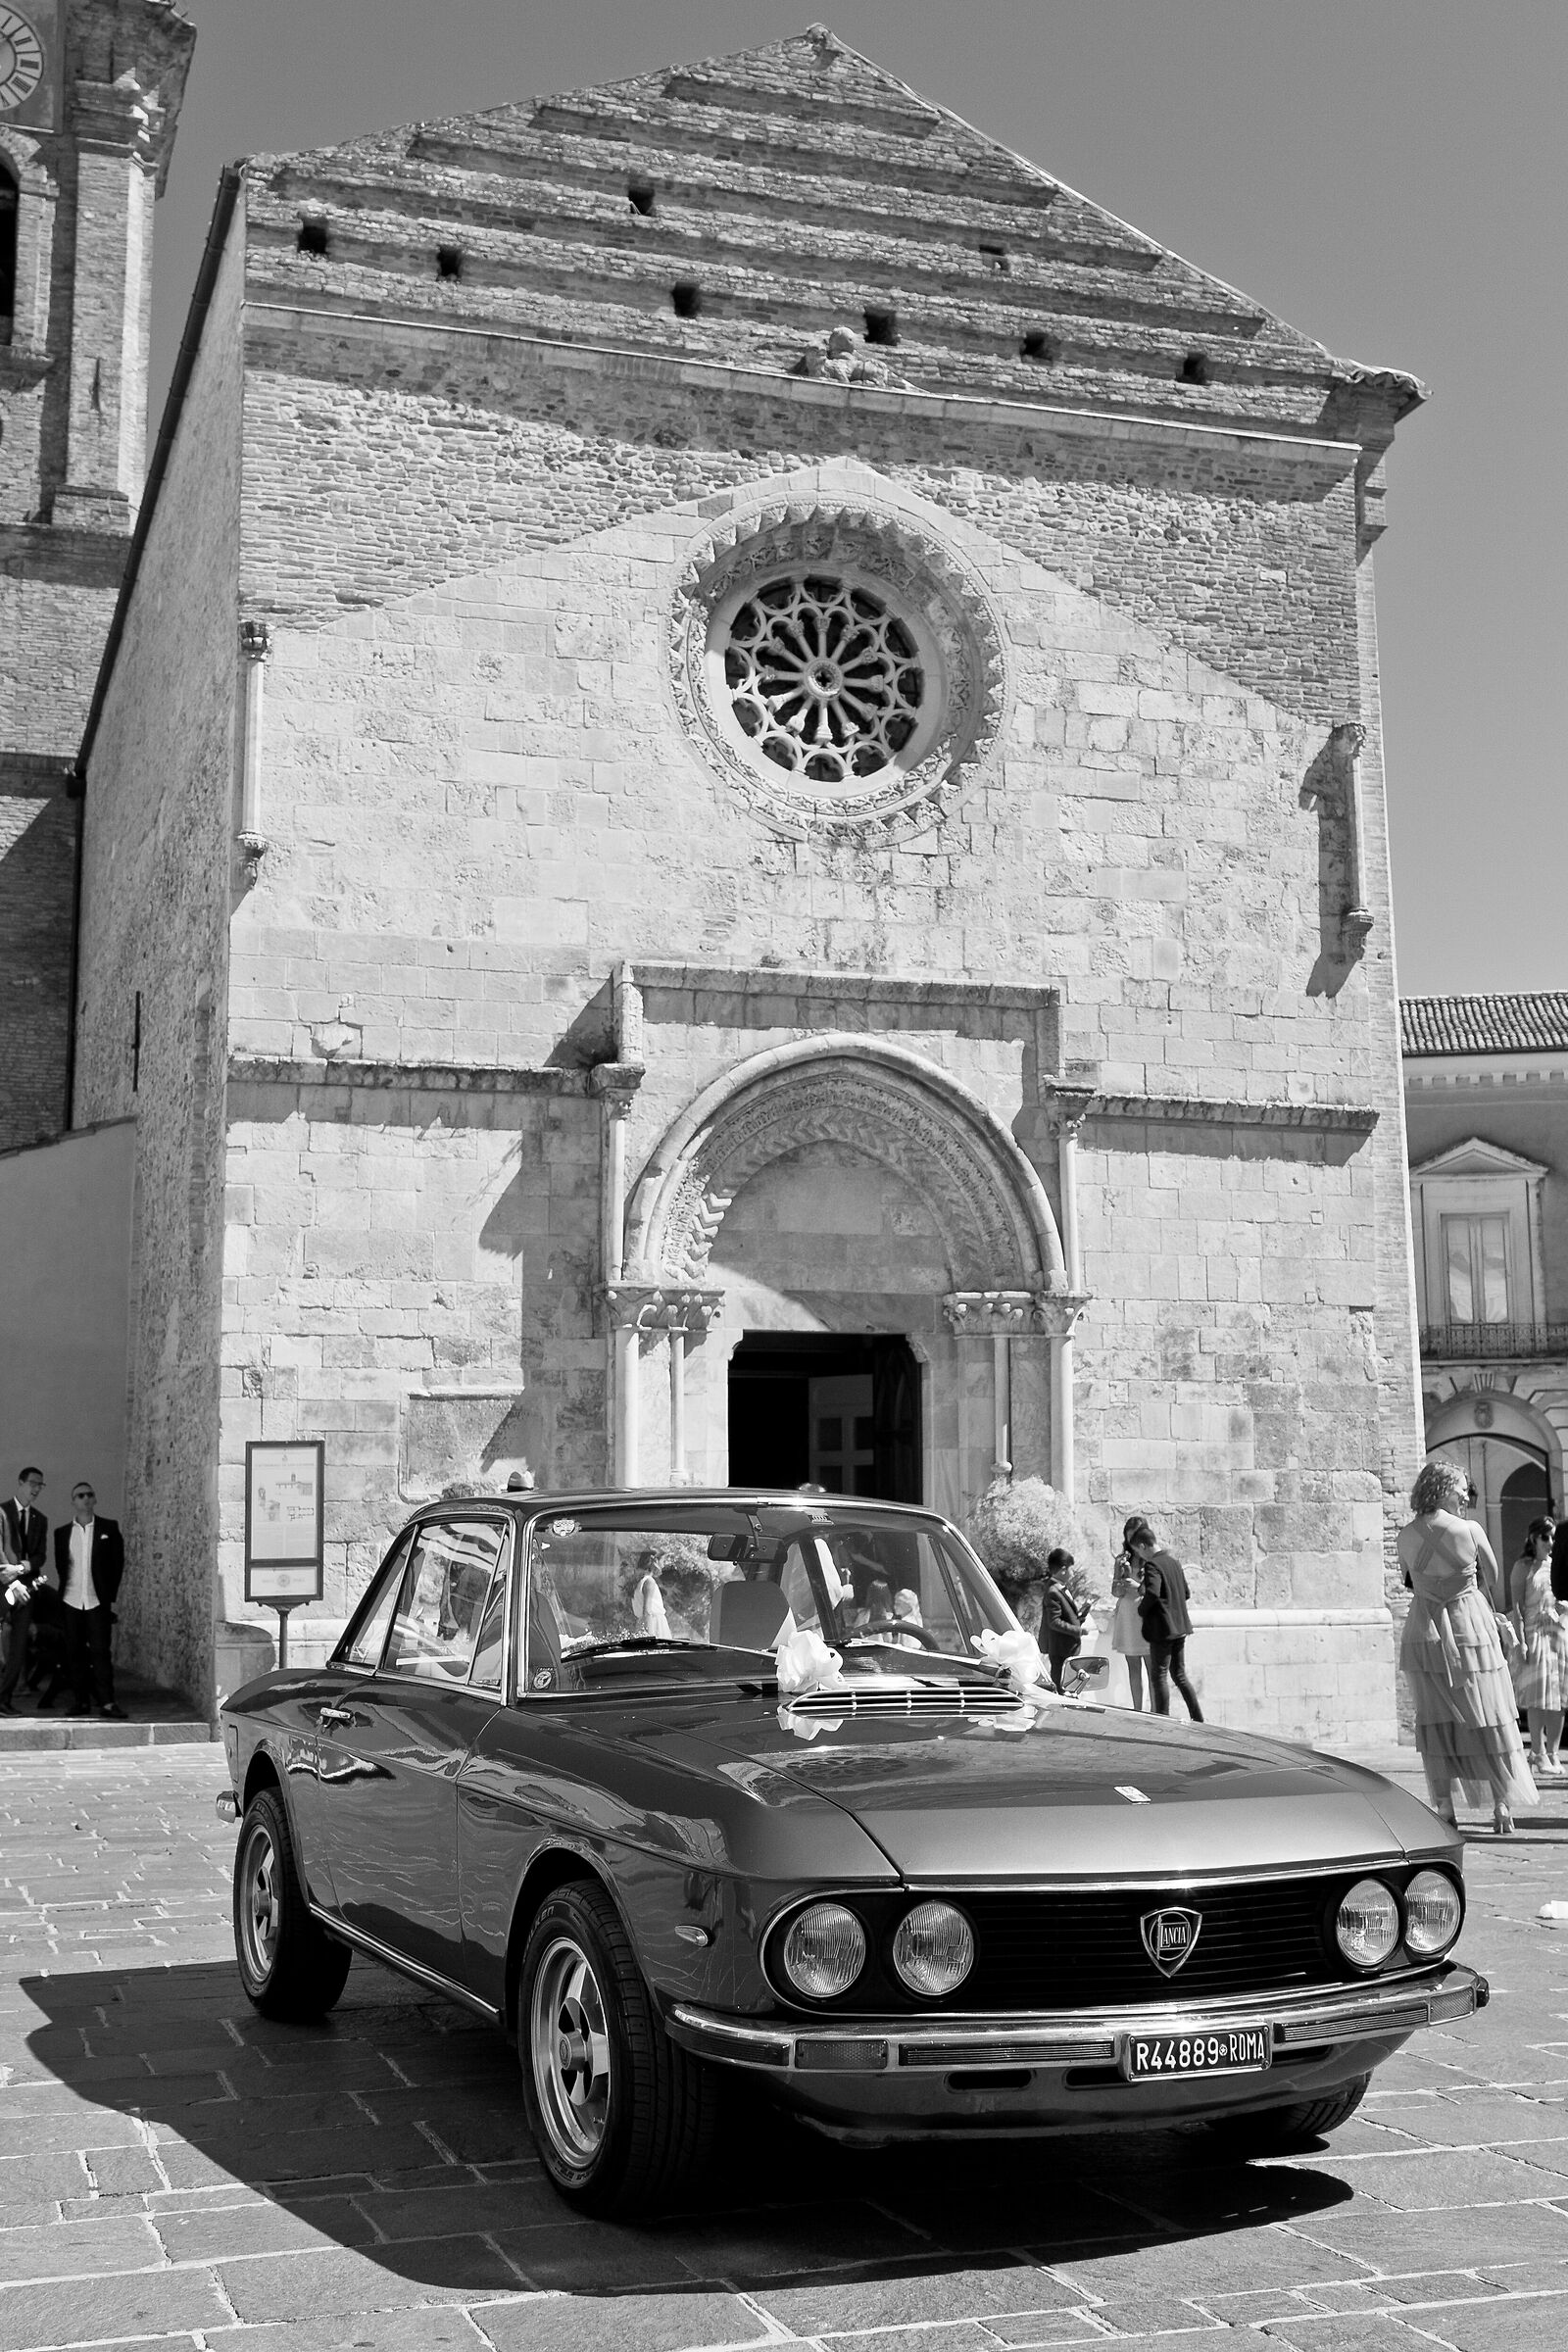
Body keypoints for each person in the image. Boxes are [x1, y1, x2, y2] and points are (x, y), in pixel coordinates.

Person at [1397, 1457, 1536, 1834]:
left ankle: (1444, 1807)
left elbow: (1409, 1579)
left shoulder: (1405, 1535)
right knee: (1489, 1712)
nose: (1465, 1494)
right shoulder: (1471, 1529)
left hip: (1425, 1630)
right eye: (1460, 1487)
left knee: (1436, 1718)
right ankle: (1501, 1805)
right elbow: (1490, 1576)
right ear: (1442, 1487)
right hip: (1469, 1625)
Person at [51, 1483, 126, 1720]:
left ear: (95, 1499)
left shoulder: (109, 1528)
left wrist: (108, 1597)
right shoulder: (62, 1533)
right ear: (73, 1501)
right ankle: (81, 1700)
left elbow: (117, 1564)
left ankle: (107, 1702)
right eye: (80, 1495)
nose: (85, 1498)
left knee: (100, 1653)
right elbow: (62, 1566)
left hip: (96, 1601)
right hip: (71, 1600)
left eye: (89, 1494)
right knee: (74, 1653)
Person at [1126, 1518, 1203, 1721]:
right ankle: (1197, 1717)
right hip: (1180, 1627)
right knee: (1179, 1675)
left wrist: (1142, 1610)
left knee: (1159, 1675)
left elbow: (1152, 1592)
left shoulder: (1153, 1565)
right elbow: (1185, 1593)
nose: (1140, 1556)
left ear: (1143, 1546)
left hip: (1162, 1629)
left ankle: (1163, 1719)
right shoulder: (1174, 1562)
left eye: (1139, 1551)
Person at [1509, 1516, 1568, 1780]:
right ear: (1534, 1538)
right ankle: (1538, 1750)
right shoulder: (1523, 1567)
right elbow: (1518, 1609)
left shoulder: (1556, 1566)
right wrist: (1521, 1641)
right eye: (1546, 1537)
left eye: (1553, 1537)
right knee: (1538, 1695)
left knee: (1559, 1697)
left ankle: (1554, 1752)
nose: (1551, 1543)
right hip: (1535, 1633)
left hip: (1558, 1632)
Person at [0, 1467, 49, 1715]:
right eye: (33, 1483)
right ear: (20, 1482)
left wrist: (26, 1566)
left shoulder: (40, 1519)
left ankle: (4, 1699)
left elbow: (41, 1554)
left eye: (41, 1485)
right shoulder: (2, 1512)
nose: (37, 1488)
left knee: (18, 1648)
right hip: (4, 1587)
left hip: (26, 1589)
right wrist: (12, 1579)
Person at [1109, 1525, 1150, 1711]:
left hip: (1145, 1614)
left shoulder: (1150, 1560)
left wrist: (1135, 1584)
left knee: (1151, 1667)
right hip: (1127, 1614)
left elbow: (1154, 1590)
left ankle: (1156, 1711)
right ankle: (1137, 1709)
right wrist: (1120, 1576)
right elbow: (1115, 1592)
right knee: (1133, 1666)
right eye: (1129, 1534)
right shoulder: (1122, 1559)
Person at [1041, 1548, 1085, 1692]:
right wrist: (1078, 1630)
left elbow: (1066, 1615)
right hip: (1060, 1649)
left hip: (1067, 1648)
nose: (1073, 1572)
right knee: (1060, 1689)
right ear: (1063, 1570)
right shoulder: (1053, 1591)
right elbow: (1054, 1621)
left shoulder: (1060, 1589)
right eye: (1071, 1568)